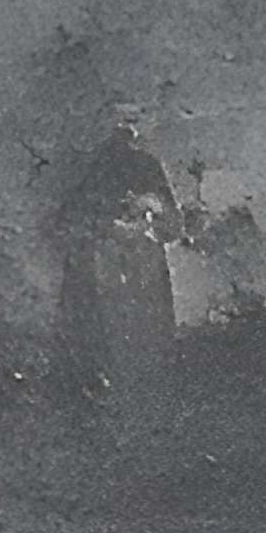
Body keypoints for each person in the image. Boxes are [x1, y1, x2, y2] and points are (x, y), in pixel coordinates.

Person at [55, 102, 181, 410]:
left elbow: (174, 226)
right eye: (119, 123)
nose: (125, 132)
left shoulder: (148, 166)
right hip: (102, 274)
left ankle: (145, 402)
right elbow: (67, 222)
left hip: (144, 275)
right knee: (107, 347)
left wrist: (153, 208)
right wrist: (109, 227)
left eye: (131, 122)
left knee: (145, 351)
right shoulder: (85, 168)